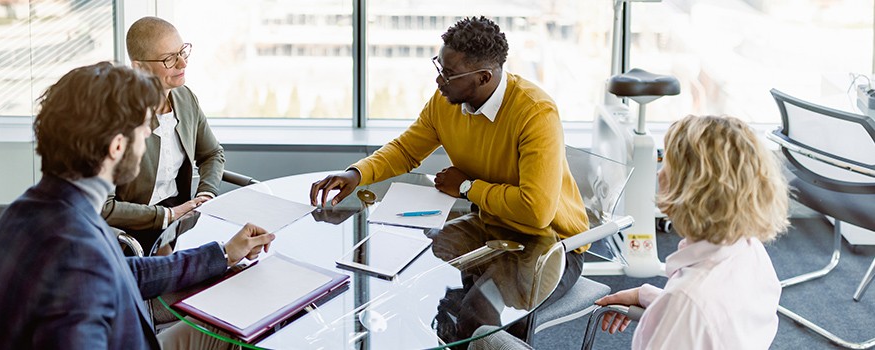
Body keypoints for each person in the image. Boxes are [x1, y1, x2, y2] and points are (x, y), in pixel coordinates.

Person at [0, 62, 274, 349]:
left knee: (228, 328)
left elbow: (124, 273)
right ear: (117, 147)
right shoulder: (75, 257)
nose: (147, 135)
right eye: (144, 127)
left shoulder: (31, 209)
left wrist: (222, 254)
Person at [309, 16, 588, 299]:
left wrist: (467, 187)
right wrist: (355, 174)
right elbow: (406, 150)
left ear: (483, 78)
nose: (439, 79)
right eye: (439, 66)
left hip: (552, 243)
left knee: (480, 305)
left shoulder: (535, 112)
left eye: (450, 74)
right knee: (420, 264)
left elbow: (537, 210)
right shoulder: (446, 102)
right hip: (492, 226)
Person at [595, 115, 789, 349]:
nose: (659, 174)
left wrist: (673, 304)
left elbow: (694, 312)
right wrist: (650, 298)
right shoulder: (750, 250)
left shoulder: (687, 304)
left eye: (666, 163)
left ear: (693, 187)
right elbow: (716, 318)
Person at [102, 16, 226, 254]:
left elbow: (212, 154)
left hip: (180, 221)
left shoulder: (185, 98)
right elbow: (102, 206)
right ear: (139, 67)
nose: (182, 63)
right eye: (169, 58)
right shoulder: (116, 116)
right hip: (128, 229)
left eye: (182, 52)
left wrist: (206, 194)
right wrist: (169, 215)